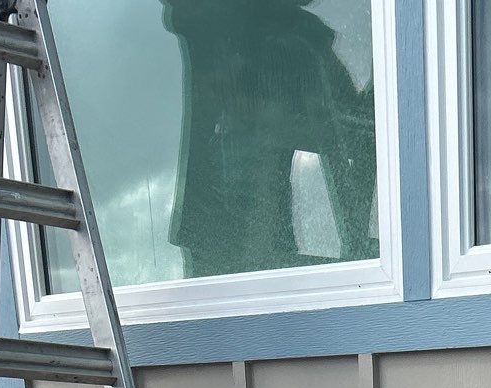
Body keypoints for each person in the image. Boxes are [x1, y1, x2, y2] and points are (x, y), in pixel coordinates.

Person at [161, 0, 376, 281]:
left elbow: (356, 129)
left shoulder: (300, 38)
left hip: (246, 231)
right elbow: (353, 128)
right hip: (228, 231)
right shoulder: (291, 40)